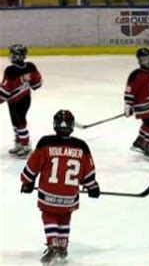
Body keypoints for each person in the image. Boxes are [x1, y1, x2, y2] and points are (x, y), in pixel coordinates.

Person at [20, 110, 100, 264]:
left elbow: (33, 166)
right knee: (65, 215)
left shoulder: (46, 143)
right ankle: (62, 246)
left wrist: (27, 182)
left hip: (48, 195)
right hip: (70, 198)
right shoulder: (82, 147)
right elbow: (88, 173)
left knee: (49, 214)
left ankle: (53, 243)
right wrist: (92, 187)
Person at [0, 44, 42, 157]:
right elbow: (37, 83)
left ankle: (26, 145)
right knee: (15, 121)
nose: (10, 55)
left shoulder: (10, 70)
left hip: (18, 100)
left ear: (17, 56)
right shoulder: (31, 66)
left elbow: (5, 90)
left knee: (20, 122)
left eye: (12, 53)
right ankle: (19, 142)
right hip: (24, 99)